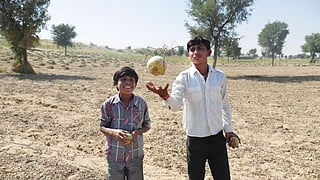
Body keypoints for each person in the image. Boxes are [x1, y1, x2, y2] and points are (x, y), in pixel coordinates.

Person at [146, 36, 240, 180]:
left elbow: (225, 106)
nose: (196, 52)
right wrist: (165, 96)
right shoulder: (183, 78)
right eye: (192, 49)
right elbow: (176, 105)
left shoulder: (219, 77)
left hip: (217, 138)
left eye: (200, 48)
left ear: (209, 52)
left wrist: (228, 131)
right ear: (189, 55)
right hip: (195, 140)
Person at [100, 66, 151, 180]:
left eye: (131, 80)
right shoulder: (108, 104)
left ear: (136, 84)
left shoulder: (141, 103)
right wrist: (114, 133)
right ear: (115, 83)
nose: (128, 82)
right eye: (123, 79)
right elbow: (102, 127)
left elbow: (147, 125)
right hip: (115, 154)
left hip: (135, 155)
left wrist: (137, 133)